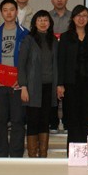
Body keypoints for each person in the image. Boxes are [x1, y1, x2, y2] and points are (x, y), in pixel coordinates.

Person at [0, 0, 29, 157]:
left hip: (17, 85)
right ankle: (1, 155)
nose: (9, 13)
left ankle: (16, 156)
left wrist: (23, 80)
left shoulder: (25, 34)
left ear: (16, 12)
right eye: (5, 10)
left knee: (18, 121)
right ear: (1, 12)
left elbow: (29, 61)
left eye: (12, 9)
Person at [57, 5, 88, 152]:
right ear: (73, 18)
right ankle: (73, 155)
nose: (81, 19)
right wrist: (60, 84)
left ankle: (85, 153)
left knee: (86, 119)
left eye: (85, 16)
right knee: (72, 119)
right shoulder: (65, 37)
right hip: (70, 84)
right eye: (78, 16)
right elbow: (61, 61)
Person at [18, 10, 58, 158]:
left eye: (45, 20)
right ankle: (32, 156)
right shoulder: (28, 40)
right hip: (32, 88)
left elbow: (56, 64)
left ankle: (43, 155)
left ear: (50, 23)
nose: (43, 23)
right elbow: (21, 65)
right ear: (35, 23)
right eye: (40, 20)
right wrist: (23, 86)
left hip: (49, 87)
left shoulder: (54, 41)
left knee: (45, 121)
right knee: (33, 121)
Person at [48, 0, 71, 134]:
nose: (59, 0)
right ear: (52, 0)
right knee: (52, 91)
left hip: (69, 60)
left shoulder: (73, 17)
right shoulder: (47, 17)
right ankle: (53, 123)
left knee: (68, 91)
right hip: (51, 59)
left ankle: (68, 122)